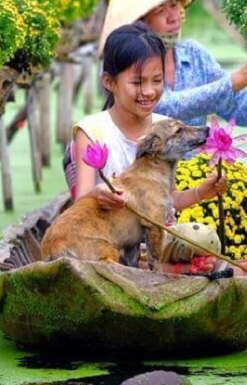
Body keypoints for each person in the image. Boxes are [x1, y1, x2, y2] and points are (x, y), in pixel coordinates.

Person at [66, 21, 228, 274]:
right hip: (108, 240)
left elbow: (166, 200)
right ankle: (168, 270)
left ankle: (160, 266)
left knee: (203, 238)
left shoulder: (166, 128)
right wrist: (98, 194)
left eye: (157, 80)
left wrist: (200, 193)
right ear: (109, 81)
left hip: (157, 239)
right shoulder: (92, 131)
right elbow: (81, 198)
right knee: (110, 258)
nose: (149, 91)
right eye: (138, 82)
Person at [98, 0, 247, 128]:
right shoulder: (120, 61)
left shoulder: (194, 55)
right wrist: (241, 77)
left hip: (196, 167)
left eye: (175, 6)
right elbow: (164, 107)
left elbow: (244, 112)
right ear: (139, 21)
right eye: (161, 10)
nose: (174, 17)